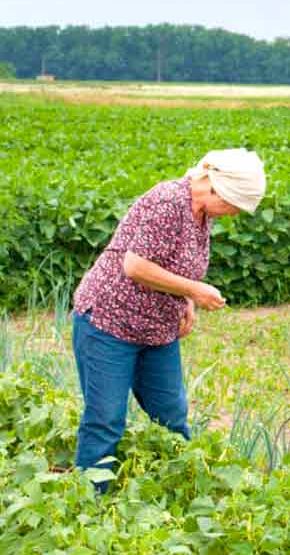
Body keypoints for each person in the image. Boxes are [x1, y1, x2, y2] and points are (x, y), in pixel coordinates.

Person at [71, 148, 266, 487]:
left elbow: (174, 263)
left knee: (172, 415)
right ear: (216, 188)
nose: (233, 214)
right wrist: (194, 290)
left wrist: (185, 299)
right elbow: (135, 266)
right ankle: (90, 503)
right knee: (106, 420)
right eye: (234, 205)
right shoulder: (169, 201)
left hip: (156, 330)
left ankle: (180, 490)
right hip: (109, 323)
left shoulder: (202, 212)